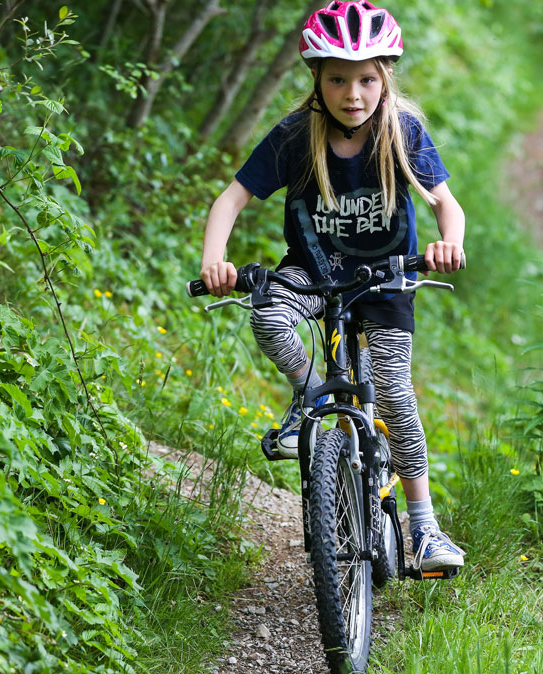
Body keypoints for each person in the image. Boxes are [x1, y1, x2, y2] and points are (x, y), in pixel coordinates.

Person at [198, 0, 466, 572]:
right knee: (268, 312)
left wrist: (448, 242)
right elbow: (231, 199)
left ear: (385, 78)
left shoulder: (402, 131)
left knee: (394, 393)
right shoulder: (295, 136)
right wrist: (214, 257)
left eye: (367, 79)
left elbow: (447, 204)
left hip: (386, 278)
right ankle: (311, 394)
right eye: (338, 78)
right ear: (316, 79)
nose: (353, 93)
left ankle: (423, 528)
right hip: (314, 273)